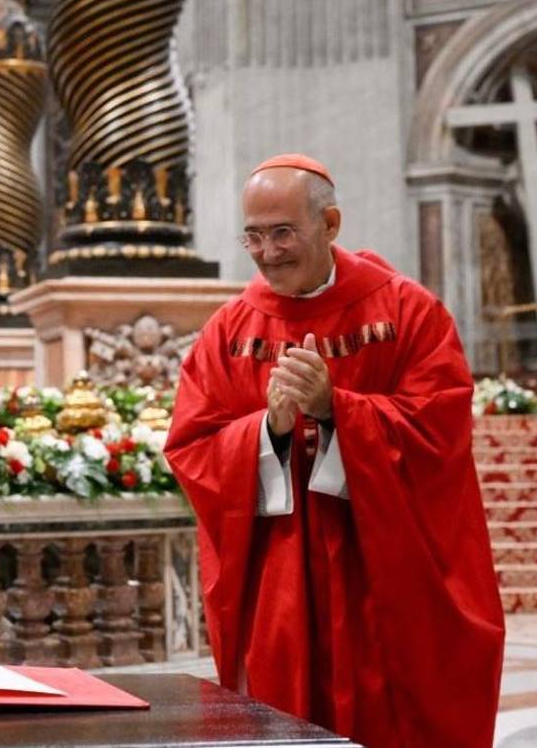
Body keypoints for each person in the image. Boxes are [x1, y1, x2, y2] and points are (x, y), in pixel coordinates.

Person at [164, 154, 504, 748]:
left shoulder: (407, 312)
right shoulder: (229, 331)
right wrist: (266, 430)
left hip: (383, 574)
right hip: (280, 584)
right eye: (254, 235)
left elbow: (440, 429)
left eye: (283, 233)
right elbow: (193, 444)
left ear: (331, 224)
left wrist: (334, 409)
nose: (267, 251)